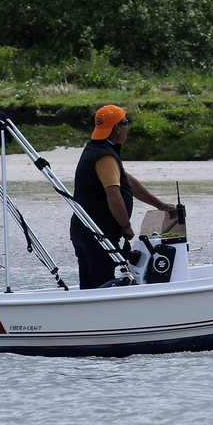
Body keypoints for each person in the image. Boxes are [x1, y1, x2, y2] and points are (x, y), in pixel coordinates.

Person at [69, 104, 180, 289]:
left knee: (89, 286)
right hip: (98, 235)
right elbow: (114, 197)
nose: (127, 126)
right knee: (100, 286)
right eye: (125, 122)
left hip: (84, 231)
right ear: (117, 128)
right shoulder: (105, 157)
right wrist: (125, 225)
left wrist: (159, 205)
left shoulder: (96, 149)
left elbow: (126, 181)